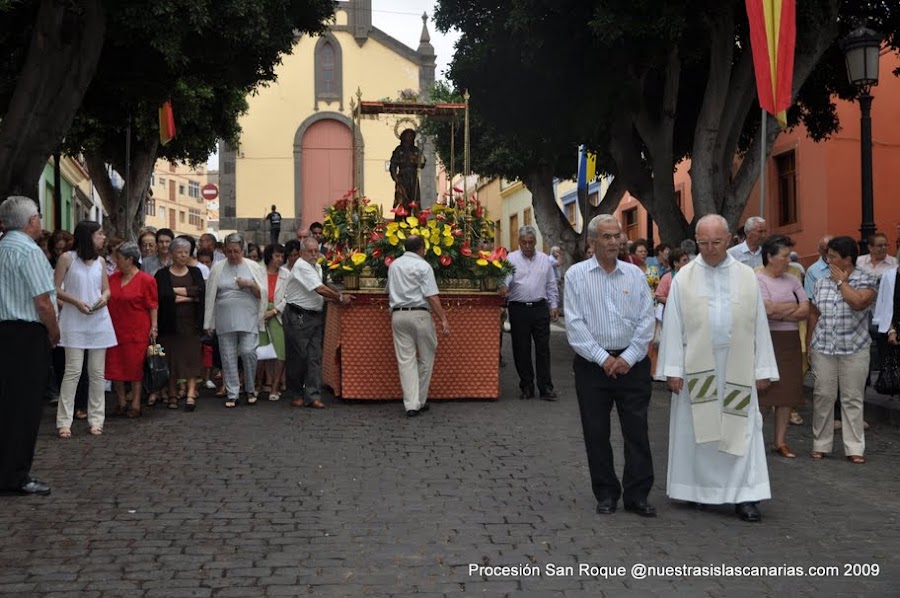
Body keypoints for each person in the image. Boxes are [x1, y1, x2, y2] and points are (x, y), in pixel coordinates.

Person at [655, 214, 778, 523]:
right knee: (699, 431)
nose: (710, 249)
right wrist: (672, 368)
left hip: (738, 366)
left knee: (742, 431)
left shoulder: (746, 276)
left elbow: (759, 325)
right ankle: (700, 491)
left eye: (716, 242)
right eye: (703, 243)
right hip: (698, 366)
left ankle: (745, 496)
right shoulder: (684, 277)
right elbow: (673, 324)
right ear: (696, 242)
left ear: (729, 240)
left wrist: (763, 368)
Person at [564, 215, 657, 517]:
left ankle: (638, 495)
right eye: (607, 237)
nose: (615, 241)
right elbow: (574, 324)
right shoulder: (576, 275)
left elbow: (646, 320)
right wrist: (603, 359)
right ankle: (606, 493)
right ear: (592, 242)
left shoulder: (635, 275)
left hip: (633, 365)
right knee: (596, 432)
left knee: (637, 432)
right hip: (594, 366)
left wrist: (628, 358)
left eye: (618, 236)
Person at [0, 196, 60, 496]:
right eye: (37, 216)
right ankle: (16, 476)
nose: (40, 220)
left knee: (6, 405)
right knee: (24, 408)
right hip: (25, 333)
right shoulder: (30, 252)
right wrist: (53, 332)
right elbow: (43, 301)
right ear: (29, 222)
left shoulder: (1, 248)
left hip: (4, 331)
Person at [807, 236, 877, 464]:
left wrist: (841, 283)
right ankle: (821, 443)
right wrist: (808, 343)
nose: (828, 261)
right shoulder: (820, 282)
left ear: (847, 259)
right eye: (828, 256)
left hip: (854, 349)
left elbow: (858, 302)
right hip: (823, 347)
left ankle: (855, 447)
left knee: (852, 398)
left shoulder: (867, 279)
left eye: (833, 257)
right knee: (823, 395)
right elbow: (814, 313)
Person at [54, 220, 118, 437]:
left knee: (97, 373)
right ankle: (64, 421)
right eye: (99, 234)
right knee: (72, 372)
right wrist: (75, 302)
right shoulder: (67, 258)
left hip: (98, 320)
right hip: (74, 320)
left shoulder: (100, 261)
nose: (103, 237)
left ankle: (97, 419)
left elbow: (106, 289)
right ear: (88, 236)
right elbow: (54, 288)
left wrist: (103, 298)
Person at [756, 235, 809, 459]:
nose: (789, 261)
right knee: (764, 393)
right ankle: (754, 438)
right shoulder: (757, 279)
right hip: (767, 340)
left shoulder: (793, 279)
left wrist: (782, 311)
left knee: (787, 393)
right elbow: (766, 311)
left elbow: (805, 310)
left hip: (790, 342)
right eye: (784, 256)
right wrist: (792, 309)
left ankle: (780, 441)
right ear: (770, 256)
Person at [283, 237, 351, 409]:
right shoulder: (301, 266)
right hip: (298, 315)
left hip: (314, 315)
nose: (314, 254)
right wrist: (340, 297)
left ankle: (313, 395)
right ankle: (297, 393)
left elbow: (323, 286)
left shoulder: (317, 267)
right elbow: (319, 289)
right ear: (301, 252)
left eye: (316, 250)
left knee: (314, 357)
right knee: (299, 357)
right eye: (310, 251)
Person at [387, 235, 451, 417]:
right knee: (426, 358)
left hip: (398, 314)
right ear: (422, 248)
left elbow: (389, 290)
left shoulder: (394, 265)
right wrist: (443, 319)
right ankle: (420, 400)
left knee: (405, 361)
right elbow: (431, 296)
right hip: (420, 314)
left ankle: (411, 404)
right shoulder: (424, 266)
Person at [203, 233, 268, 408]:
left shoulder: (254, 267)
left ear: (242, 250)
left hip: (248, 316)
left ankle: (250, 388)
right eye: (229, 251)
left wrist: (250, 284)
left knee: (248, 352)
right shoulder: (217, 267)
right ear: (224, 251)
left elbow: (262, 294)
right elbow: (210, 296)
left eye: (236, 251)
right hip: (225, 317)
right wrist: (208, 321)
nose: (232, 255)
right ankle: (232, 392)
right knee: (228, 355)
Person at [500, 225, 560, 400]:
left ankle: (545, 387)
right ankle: (526, 386)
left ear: (535, 242)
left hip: (540, 308)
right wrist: (503, 286)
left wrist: (553, 305)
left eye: (531, 242)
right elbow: (505, 278)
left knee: (543, 349)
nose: (527, 246)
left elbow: (551, 284)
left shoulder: (544, 259)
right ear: (519, 242)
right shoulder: (511, 258)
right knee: (521, 349)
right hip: (518, 309)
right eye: (524, 242)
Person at [105, 242, 158, 418]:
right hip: (114, 329)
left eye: (118, 258)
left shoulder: (146, 280)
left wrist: (154, 327)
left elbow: (152, 305)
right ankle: (120, 401)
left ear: (130, 259)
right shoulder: (112, 279)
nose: (115, 261)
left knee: (135, 367)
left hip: (137, 330)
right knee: (115, 366)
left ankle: (135, 403)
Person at [156, 237, 205, 411]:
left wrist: (176, 293)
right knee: (170, 361)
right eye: (179, 252)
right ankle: (172, 394)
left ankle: (191, 394)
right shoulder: (162, 274)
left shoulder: (195, 272)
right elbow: (163, 296)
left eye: (186, 252)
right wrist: (189, 295)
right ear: (171, 254)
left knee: (191, 359)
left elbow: (199, 292)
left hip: (191, 324)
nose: (183, 255)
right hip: (169, 324)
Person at [261, 243, 289, 401]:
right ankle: (259, 384)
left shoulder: (286, 274)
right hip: (260, 313)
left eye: (282, 256)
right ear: (269, 256)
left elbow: (288, 296)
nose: (280, 259)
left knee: (280, 351)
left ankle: (275, 386)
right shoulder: (259, 271)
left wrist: (274, 311)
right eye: (277, 256)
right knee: (260, 350)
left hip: (278, 313)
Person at [390, 128, 424, 216]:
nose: (410, 138)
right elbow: (393, 165)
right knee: (402, 198)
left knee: (414, 198)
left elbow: (422, 163)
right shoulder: (399, 150)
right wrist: (395, 178)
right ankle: (401, 218)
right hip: (403, 176)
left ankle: (415, 218)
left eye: (411, 136)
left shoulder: (415, 150)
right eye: (408, 136)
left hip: (413, 176)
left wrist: (417, 160)